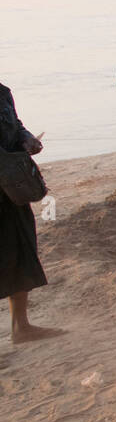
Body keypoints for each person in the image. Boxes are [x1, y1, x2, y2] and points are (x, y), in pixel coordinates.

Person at [0, 81, 62, 343]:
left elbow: (16, 124)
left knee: (21, 248)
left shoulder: (2, 92)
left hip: (11, 187)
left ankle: (21, 326)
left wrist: (27, 139)